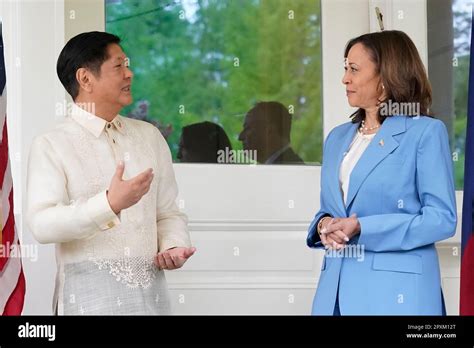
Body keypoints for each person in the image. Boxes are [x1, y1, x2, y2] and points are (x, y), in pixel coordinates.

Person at [26, 31, 195, 315]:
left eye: (127, 64)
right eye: (119, 66)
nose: (129, 73)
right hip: (88, 303)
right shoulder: (52, 144)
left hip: (152, 301)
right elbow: (42, 224)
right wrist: (108, 204)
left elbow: (168, 213)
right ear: (85, 79)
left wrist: (173, 245)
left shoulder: (149, 136)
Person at [306, 30, 457, 315]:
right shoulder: (337, 138)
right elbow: (330, 210)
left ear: (386, 78)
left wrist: (364, 227)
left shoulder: (424, 132)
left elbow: (442, 219)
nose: (344, 79)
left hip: (394, 297)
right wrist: (323, 226)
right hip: (333, 295)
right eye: (344, 68)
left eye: (354, 69)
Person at [239, 101, 304, 164]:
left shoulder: (282, 170)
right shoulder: (290, 165)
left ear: (268, 130)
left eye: (248, 128)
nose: (240, 137)